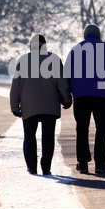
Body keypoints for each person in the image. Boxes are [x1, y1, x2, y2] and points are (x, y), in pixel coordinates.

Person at [65, 24, 105, 174]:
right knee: (103, 129)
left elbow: (65, 74)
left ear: (85, 35)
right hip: (102, 97)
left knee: (82, 128)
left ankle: (83, 163)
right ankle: (100, 164)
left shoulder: (76, 50)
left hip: (81, 97)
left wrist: (69, 91)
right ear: (98, 35)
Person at [10, 34, 72, 175]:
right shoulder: (54, 59)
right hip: (50, 106)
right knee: (48, 137)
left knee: (29, 136)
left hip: (29, 106)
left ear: (31, 46)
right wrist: (67, 99)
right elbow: (62, 83)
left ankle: (32, 167)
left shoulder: (23, 61)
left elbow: (16, 86)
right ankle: (46, 167)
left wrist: (14, 106)